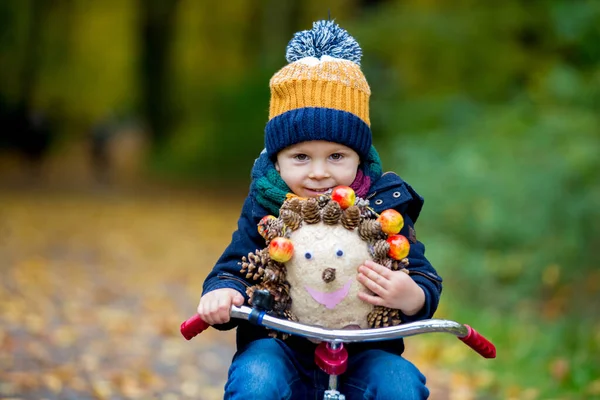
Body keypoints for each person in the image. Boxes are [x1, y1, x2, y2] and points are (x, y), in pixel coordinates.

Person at [197, 20, 442, 399]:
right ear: (277, 161)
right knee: (256, 378)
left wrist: (413, 296)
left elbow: (423, 275)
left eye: (336, 156)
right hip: (280, 348)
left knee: (399, 382)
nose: (318, 173)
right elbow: (233, 266)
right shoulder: (266, 207)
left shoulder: (383, 206)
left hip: (364, 351)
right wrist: (224, 292)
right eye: (300, 157)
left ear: (358, 159)